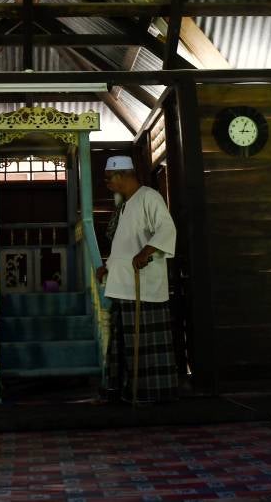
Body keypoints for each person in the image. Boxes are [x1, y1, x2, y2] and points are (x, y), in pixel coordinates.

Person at [95, 155, 178, 403]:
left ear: (124, 175)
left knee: (144, 345)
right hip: (123, 286)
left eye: (109, 178)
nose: (107, 183)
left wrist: (146, 251)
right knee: (123, 345)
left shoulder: (149, 197)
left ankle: (150, 394)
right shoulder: (124, 204)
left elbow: (166, 229)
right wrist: (107, 266)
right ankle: (122, 392)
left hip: (143, 287)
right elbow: (124, 245)